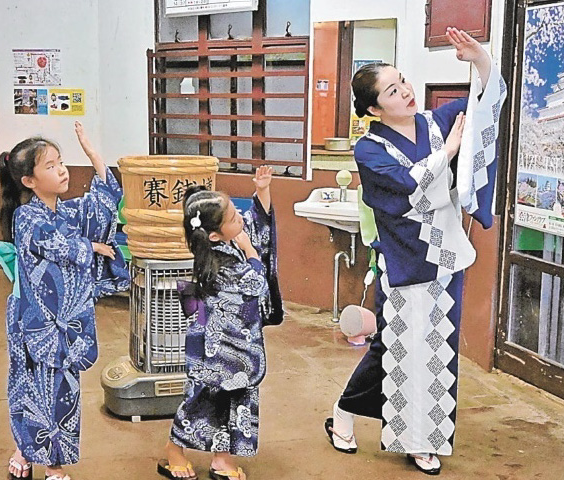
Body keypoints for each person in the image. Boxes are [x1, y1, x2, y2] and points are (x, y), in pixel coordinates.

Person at [325, 28, 506, 475]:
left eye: (403, 81)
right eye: (392, 90)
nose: (405, 91)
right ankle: (347, 412)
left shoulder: (432, 121)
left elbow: (486, 108)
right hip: (405, 261)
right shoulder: (370, 148)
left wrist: (479, 59)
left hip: (446, 260)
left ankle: (425, 440)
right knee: (396, 346)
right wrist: (447, 153)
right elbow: (408, 187)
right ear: (373, 108)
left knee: (438, 349)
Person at [0, 121, 129, 480]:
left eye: (62, 161)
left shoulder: (67, 211)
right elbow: (54, 244)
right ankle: (42, 459)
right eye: (51, 166)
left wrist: (94, 155)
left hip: (64, 326)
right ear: (29, 180)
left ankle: (37, 454)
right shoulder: (26, 217)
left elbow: (102, 206)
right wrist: (91, 247)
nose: (62, 170)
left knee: (61, 392)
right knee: (31, 388)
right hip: (34, 322)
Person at [157, 166, 283, 480]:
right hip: (215, 345)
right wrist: (252, 252)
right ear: (214, 235)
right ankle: (174, 449)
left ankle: (222, 459)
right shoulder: (220, 259)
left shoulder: (225, 242)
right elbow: (255, 283)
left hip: (237, 344)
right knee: (203, 397)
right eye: (231, 218)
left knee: (237, 400)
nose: (240, 217)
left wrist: (262, 191)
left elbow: (257, 224)